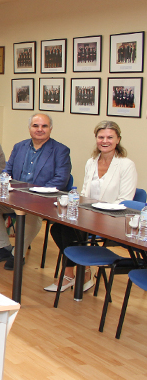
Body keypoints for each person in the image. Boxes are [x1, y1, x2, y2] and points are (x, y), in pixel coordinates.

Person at [44, 121, 137, 292]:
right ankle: (84, 270)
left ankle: (69, 275)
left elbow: (125, 200)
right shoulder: (92, 161)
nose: (105, 141)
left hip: (114, 219)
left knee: (68, 231)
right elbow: (85, 193)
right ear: (96, 139)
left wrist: (97, 211)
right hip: (91, 215)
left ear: (118, 140)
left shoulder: (126, 165)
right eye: (101, 137)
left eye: (110, 137)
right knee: (58, 228)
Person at [0, 113, 72, 270]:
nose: (39, 129)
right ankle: (3, 247)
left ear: (50, 128)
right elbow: (7, 171)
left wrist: (35, 194)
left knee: (30, 212)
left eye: (44, 126)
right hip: (15, 198)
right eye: (35, 126)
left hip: (41, 202)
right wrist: (3, 182)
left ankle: (18, 254)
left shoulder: (61, 150)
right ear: (29, 128)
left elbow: (61, 180)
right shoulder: (19, 147)